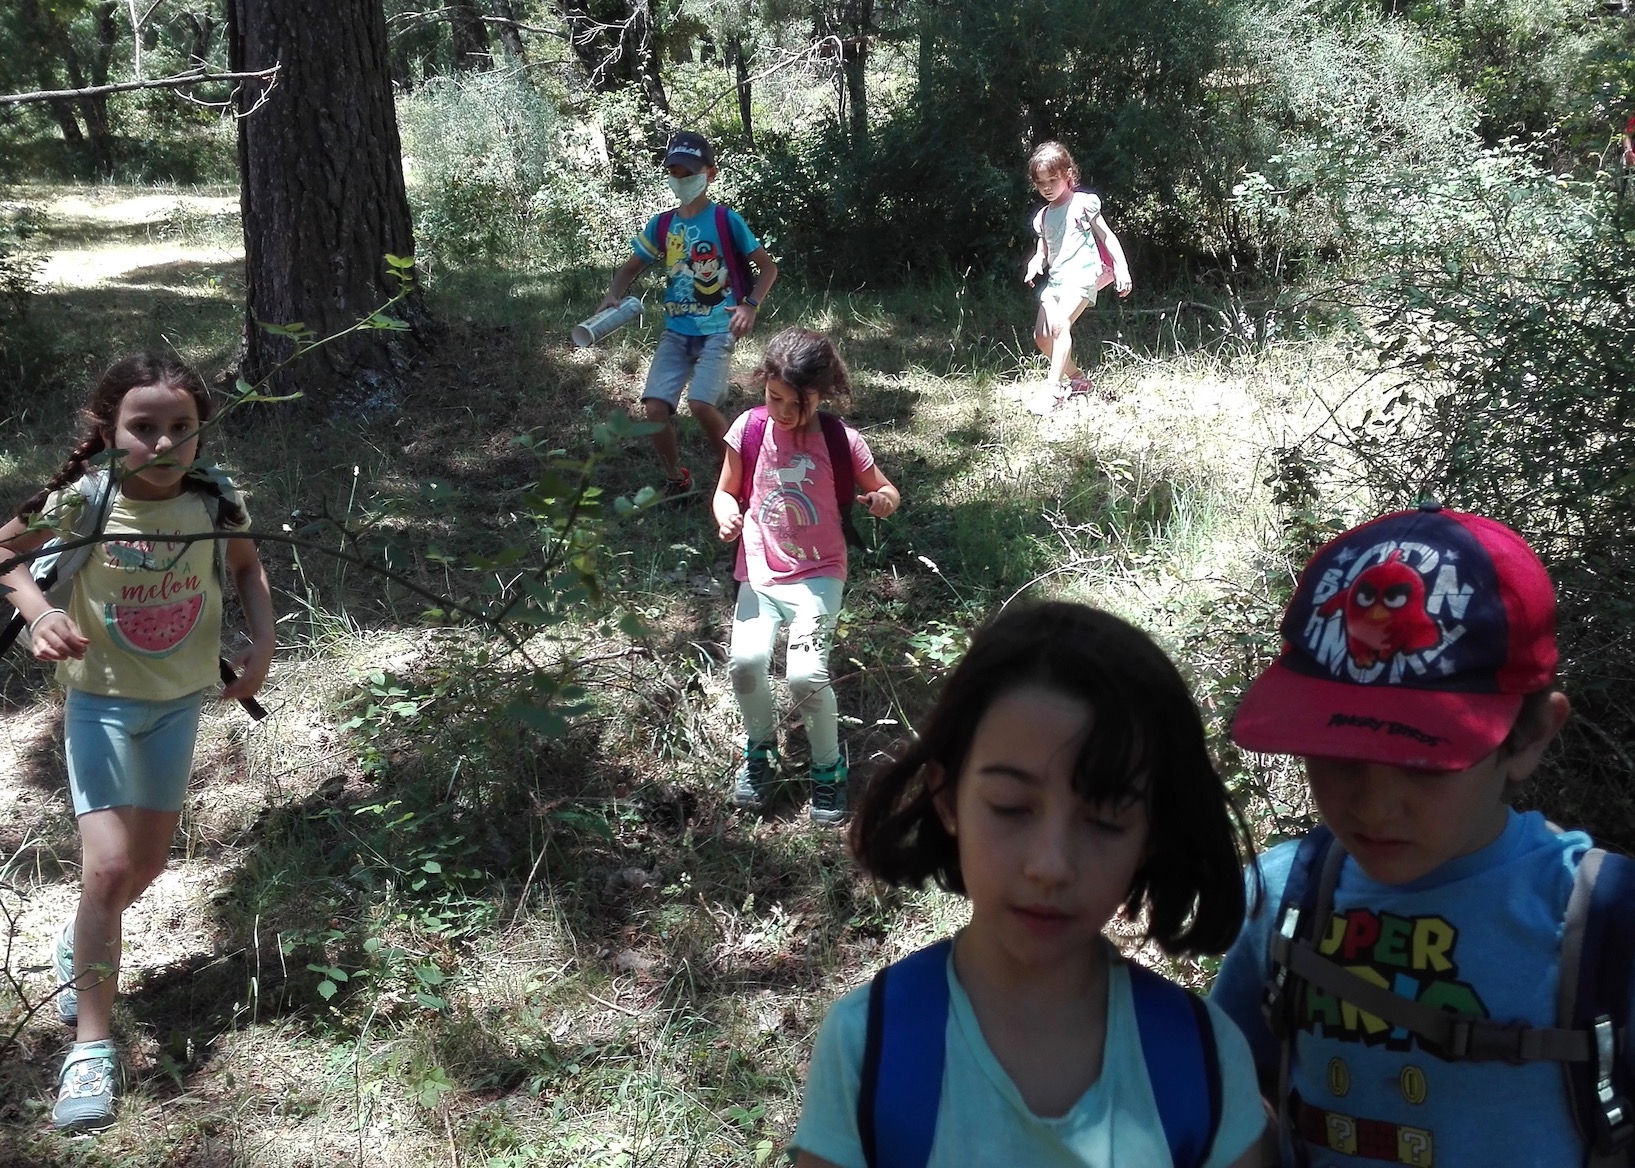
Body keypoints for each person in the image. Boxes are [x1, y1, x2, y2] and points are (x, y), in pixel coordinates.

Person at [1209, 504, 1626, 1166]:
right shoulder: (1283, 897)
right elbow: (1226, 1099)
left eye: (1422, 761)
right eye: (1338, 753)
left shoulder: (1603, 919)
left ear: (1530, 739)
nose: (1374, 806)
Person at [791, 602, 1267, 1166]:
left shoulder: (1204, 1063)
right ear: (948, 800)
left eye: (1105, 820)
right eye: (1012, 807)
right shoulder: (867, 1048)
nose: (1051, 865)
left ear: (1151, 834)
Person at [0, 353, 274, 1131]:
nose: (162, 444)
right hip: (102, 707)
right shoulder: (87, 497)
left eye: (180, 428)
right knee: (112, 864)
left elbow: (248, 569)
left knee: (144, 867)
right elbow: (4, 549)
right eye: (143, 428)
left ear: (200, 433)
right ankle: (91, 1048)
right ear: (108, 431)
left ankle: (79, 936)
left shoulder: (216, 496)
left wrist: (261, 648)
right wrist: (40, 611)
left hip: (181, 703)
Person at [712, 328, 898, 824]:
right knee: (746, 663)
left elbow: (886, 490)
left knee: (805, 674)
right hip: (758, 569)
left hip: (819, 573)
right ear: (764, 384)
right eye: (775, 398)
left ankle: (828, 768)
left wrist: (882, 501)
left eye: (798, 402)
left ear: (823, 391)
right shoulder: (748, 430)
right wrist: (726, 511)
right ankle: (760, 749)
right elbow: (726, 490)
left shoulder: (842, 440)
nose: (783, 412)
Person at [597, 130, 778, 497]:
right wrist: (613, 294)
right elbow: (633, 266)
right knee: (653, 408)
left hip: (718, 328)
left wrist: (750, 305)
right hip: (677, 331)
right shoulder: (662, 225)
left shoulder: (727, 220)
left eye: (689, 173)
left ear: (710, 173)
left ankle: (737, 473)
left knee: (700, 403)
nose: (681, 180)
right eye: (674, 173)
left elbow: (768, 269)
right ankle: (675, 477)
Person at [1023, 141, 1132, 412]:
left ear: (1068, 174)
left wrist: (1122, 267)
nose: (1047, 187)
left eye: (1053, 179)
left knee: (1061, 327)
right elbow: (1044, 248)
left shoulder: (1083, 204)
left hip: (1082, 276)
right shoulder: (1043, 216)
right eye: (1040, 183)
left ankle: (1052, 391)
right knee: (1042, 336)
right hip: (1057, 281)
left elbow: (1106, 235)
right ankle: (1077, 379)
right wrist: (1036, 261)